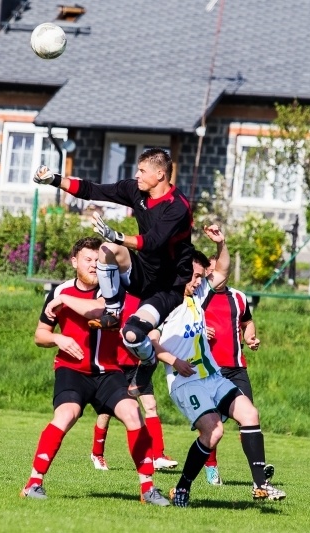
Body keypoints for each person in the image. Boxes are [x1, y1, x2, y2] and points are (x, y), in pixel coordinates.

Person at [21, 237, 170, 506]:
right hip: (71, 370)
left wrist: (64, 299)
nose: (94, 266)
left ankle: (148, 488)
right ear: (74, 262)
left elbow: (99, 309)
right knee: (67, 414)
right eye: (88, 260)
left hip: (108, 372)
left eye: (98, 261)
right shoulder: (59, 291)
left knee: (132, 413)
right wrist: (58, 339)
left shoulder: (112, 288)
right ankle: (34, 483)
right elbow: (40, 335)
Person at [34, 148, 194, 395]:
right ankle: (112, 310)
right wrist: (54, 180)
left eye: (142, 171)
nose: (136, 175)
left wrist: (118, 235)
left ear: (160, 174)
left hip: (167, 288)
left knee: (131, 335)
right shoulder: (136, 190)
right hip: (142, 273)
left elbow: (153, 241)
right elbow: (93, 190)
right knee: (107, 249)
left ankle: (148, 361)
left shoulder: (178, 207)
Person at [148, 226, 286, 507]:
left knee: (249, 412)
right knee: (213, 431)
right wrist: (175, 361)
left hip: (212, 375)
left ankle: (260, 485)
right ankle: (183, 487)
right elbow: (149, 340)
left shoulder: (198, 295)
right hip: (186, 381)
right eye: (195, 276)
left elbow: (221, 271)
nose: (199, 281)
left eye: (200, 276)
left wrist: (222, 243)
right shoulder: (164, 301)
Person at [199, 255, 274, 486]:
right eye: (209, 272)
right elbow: (184, 325)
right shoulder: (198, 296)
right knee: (213, 424)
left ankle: (257, 474)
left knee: (249, 417)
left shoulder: (239, 297)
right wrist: (202, 330)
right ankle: (211, 467)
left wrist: (250, 337)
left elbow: (247, 321)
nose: (213, 276)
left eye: (217, 271)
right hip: (211, 370)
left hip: (237, 369)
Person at [90, 292, 178, 472]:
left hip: (138, 365)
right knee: (106, 412)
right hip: (114, 364)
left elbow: (154, 329)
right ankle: (97, 453)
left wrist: (149, 345)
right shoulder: (114, 294)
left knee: (151, 406)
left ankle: (158, 455)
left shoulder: (149, 299)